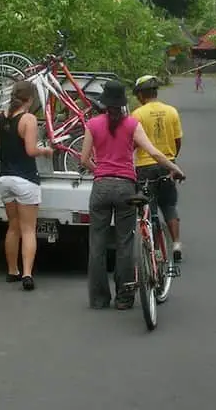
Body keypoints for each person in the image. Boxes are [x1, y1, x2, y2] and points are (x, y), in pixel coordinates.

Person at [80, 80, 184, 310]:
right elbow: (154, 152)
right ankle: (124, 298)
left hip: (101, 187)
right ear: (123, 103)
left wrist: (100, 171)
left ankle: (98, 299)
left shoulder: (93, 124)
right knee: (124, 242)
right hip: (126, 186)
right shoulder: (132, 124)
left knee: (97, 243)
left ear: (105, 103)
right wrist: (175, 169)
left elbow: (84, 159)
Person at [0, 80, 53, 291]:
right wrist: (44, 150)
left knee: (13, 227)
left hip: (4, 179)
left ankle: (12, 271)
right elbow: (30, 150)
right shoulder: (28, 119)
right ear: (30, 98)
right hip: (25, 178)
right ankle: (27, 273)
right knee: (28, 229)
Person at [131, 75, 185, 262]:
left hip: (145, 167)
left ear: (140, 94)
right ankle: (176, 244)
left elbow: (133, 143)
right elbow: (178, 140)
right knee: (169, 205)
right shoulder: (172, 112)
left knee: (150, 208)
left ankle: (157, 250)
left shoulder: (137, 114)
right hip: (167, 164)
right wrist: (172, 161)